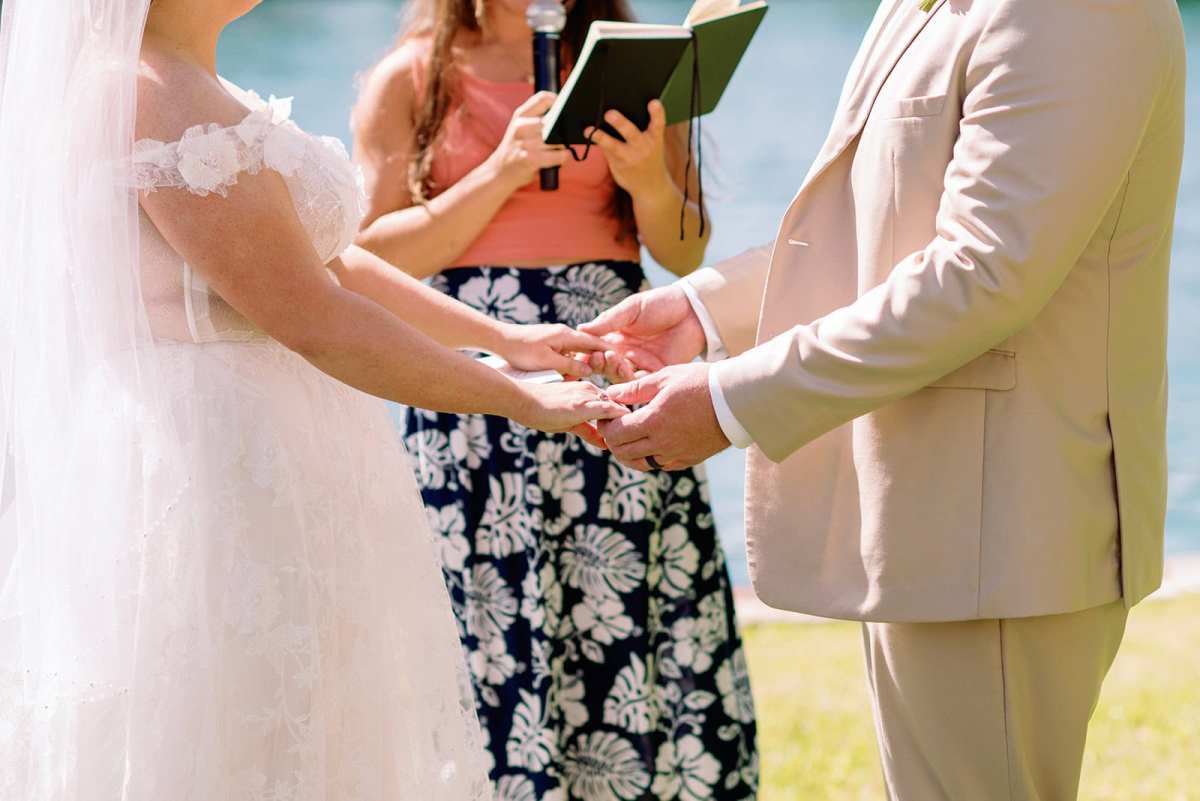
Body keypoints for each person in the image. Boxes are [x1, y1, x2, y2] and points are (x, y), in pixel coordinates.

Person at [0, 0, 631, 797]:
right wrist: (515, 396)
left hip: (290, 468)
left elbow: (333, 263)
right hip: (214, 478)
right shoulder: (144, 92)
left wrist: (506, 339)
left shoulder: (196, 83)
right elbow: (313, 316)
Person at [583, 0, 1186, 799]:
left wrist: (730, 403)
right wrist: (704, 311)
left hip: (1006, 532)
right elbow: (876, 238)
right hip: (930, 520)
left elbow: (980, 276)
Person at [351, 1, 758, 798]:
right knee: (490, 618)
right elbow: (372, 258)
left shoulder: (634, 67)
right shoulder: (411, 78)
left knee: (621, 609)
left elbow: (685, 247)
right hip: (473, 390)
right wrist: (500, 170)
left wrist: (644, 175)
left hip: (612, 369)